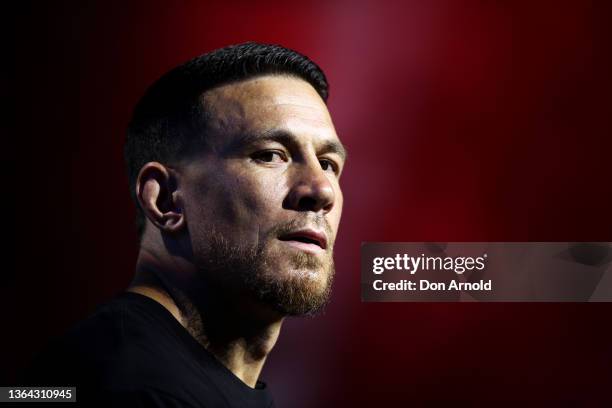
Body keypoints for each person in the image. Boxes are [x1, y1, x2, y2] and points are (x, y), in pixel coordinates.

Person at [25, 42, 346, 407]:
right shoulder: (126, 386)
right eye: (271, 155)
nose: (321, 189)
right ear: (165, 199)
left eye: (329, 163)